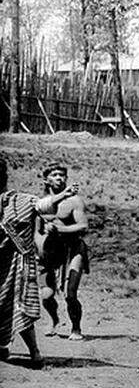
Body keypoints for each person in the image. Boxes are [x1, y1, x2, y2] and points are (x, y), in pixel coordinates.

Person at [1, 156, 77, 367]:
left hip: (18, 264)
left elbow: (43, 205)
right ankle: (3, 346)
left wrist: (63, 195)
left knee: (22, 306)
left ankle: (34, 352)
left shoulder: (21, 200)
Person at [38, 163, 89, 340]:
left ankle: (76, 328)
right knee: (46, 295)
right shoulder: (43, 203)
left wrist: (60, 230)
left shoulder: (75, 201)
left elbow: (83, 226)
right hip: (50, 251)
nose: (59, 178)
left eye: (62, 175)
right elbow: (35, 229)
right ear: (46, 180)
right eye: (54, 175)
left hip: (73, 249)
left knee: (70, 294)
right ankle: (54, 320)